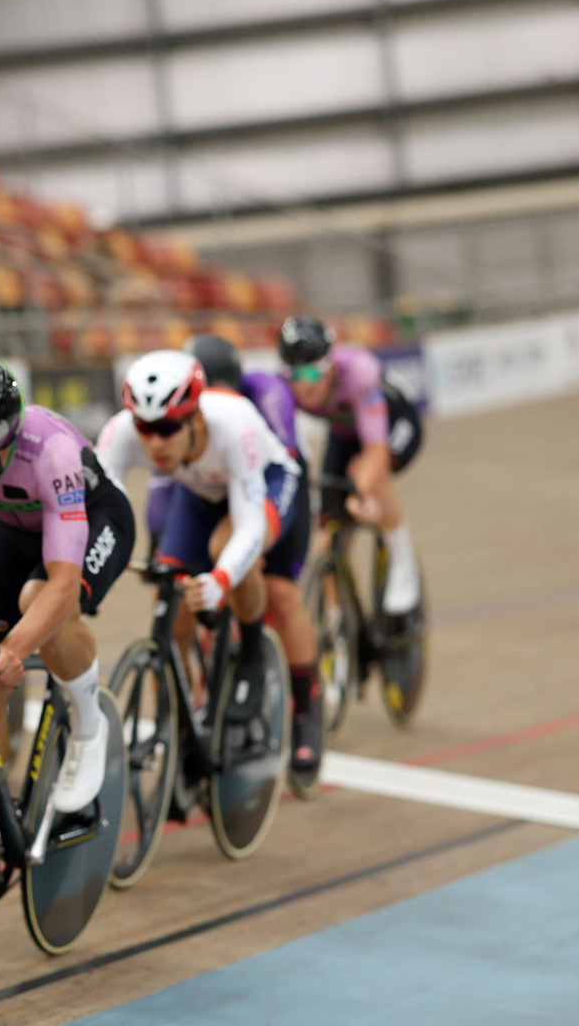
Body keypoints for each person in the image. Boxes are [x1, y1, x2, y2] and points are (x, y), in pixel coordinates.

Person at [0, 357, 134, 813]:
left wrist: (16, 648)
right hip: (16, 530)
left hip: (98, 517)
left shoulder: (49, 452)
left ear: (2, 438)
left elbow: (62, 583)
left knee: (41, 603)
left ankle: (88, 726)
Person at [100, 349, 302, 726]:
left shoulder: (234, 428)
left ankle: (252, 657)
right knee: (171, 604)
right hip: (200, 492)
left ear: (196, 417)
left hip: (268, 481)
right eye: (145, 429)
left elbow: (249, 527)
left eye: (167, 429)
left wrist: (221, 578)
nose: (155, 443)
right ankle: (177, 725)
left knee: (225, 549)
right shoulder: (120, 432)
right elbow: (99, 508)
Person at [179, 333, 323, 779]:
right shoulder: (180, 421)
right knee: (177, 588)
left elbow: (285, 467)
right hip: (217, 494)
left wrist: (254, 545)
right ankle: (189, 705)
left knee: (279, 591)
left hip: (271, 489)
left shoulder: (266, 393)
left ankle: (307, 709)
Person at [277, 315, 423, 615]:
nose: (304, 384)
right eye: (296, 374)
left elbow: (376, 452)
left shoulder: (358, 373)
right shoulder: (281, 387)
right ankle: (336, 616)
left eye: (313, 373)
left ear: (330, 364)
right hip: (344, 433)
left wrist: (360, 490)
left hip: (395, 421)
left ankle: (401, 557)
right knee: (328, 533)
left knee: (366, 475)